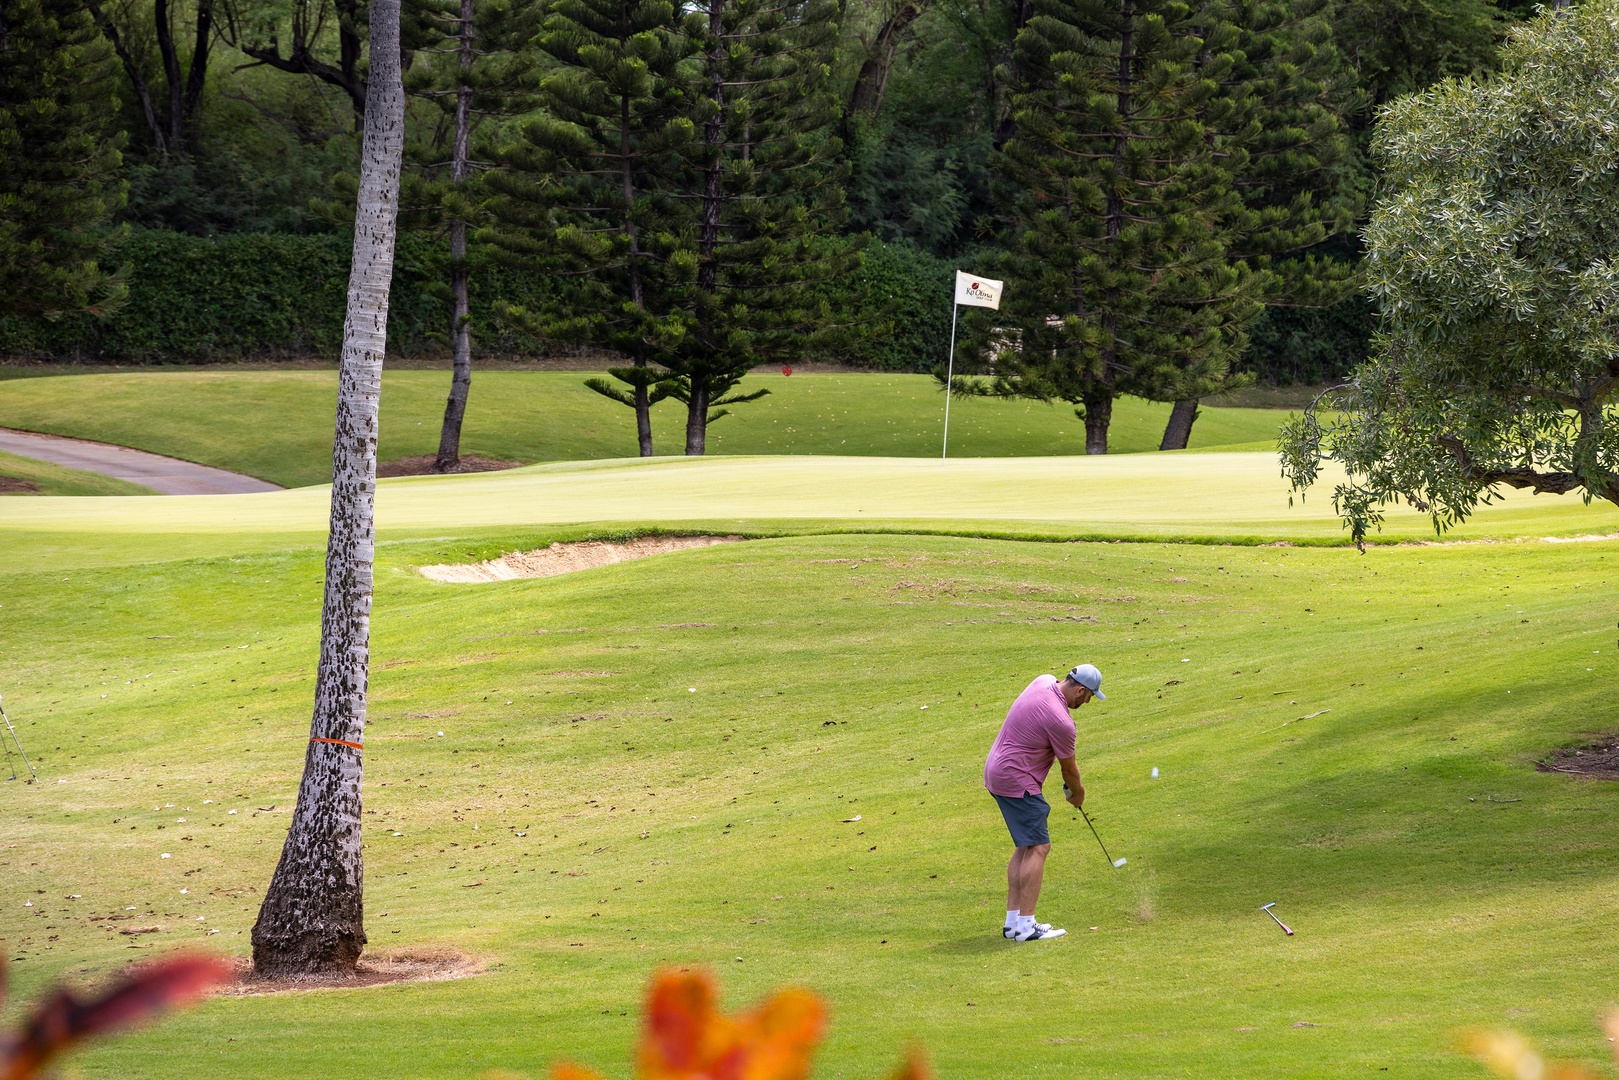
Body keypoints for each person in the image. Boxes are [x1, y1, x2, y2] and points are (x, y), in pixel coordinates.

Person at [983, 663, 1105, 941]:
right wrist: (1078, 793)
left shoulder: (1043, 681)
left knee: (1025, 845)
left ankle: (1013, 922)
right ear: (1080, 690)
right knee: (1040, 846)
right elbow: (1069, 769)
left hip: (997, 771)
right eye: (1088, 697)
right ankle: (1026, 926)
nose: (1087, 702)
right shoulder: (1063, 722)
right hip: (1016, 779)